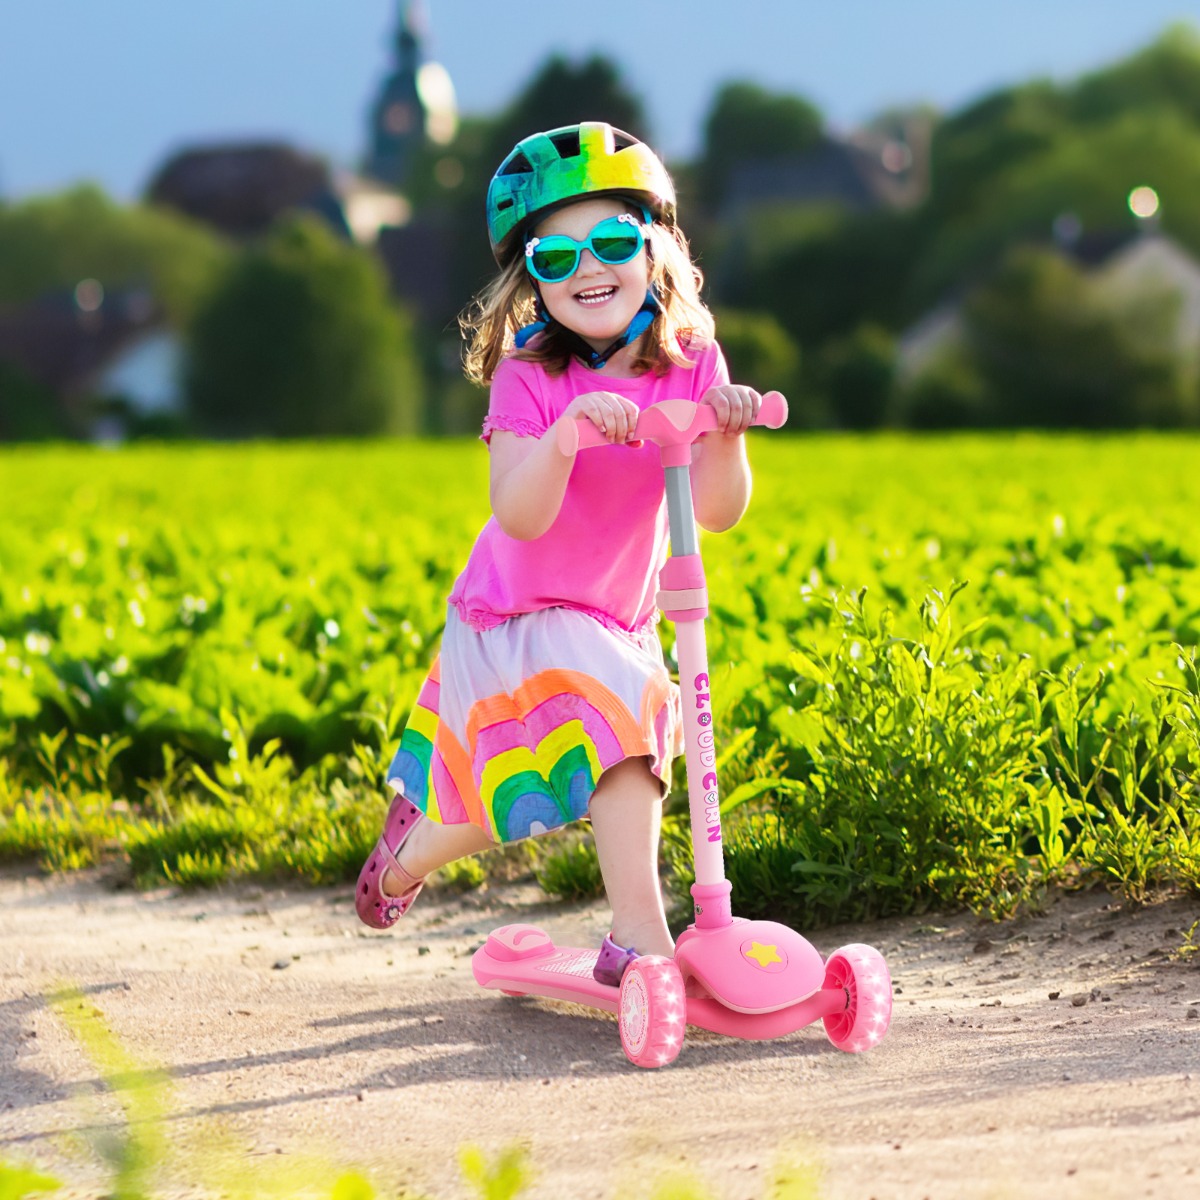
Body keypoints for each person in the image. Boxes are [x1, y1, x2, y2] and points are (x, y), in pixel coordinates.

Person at [356, 121, 769, 985]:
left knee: (520, 801)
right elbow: (519, 515)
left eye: (613, 242)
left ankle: (405, 857)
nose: (589, 269)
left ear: (654, 249)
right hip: (518, 614)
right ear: (528, 279)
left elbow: (721, 512)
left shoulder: (691, 360)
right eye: (556, 258)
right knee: (626, 739)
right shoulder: (531, 379)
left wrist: (726, 436)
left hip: (621, 617)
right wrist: (565, 439)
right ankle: (641, 941)